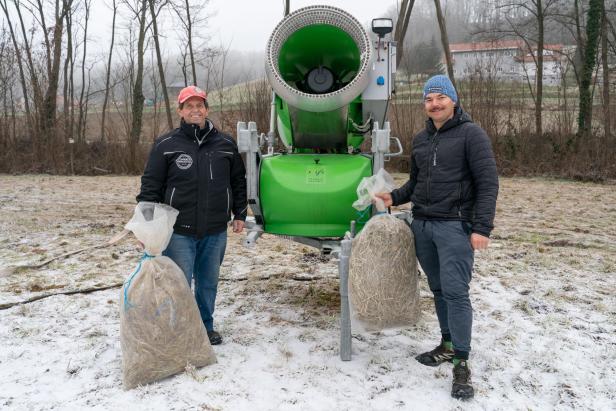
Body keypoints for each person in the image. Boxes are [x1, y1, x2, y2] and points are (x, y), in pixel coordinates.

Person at [375, 75, 498, 400]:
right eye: (429, 99)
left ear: (453, 100)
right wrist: (394, 197)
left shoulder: (472, 135)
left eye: (440, 97)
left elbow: (488, 183)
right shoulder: (421, 139)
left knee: (457, 293)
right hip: (424, 226)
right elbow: (416, 183)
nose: (434, 104)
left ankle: (461, 360)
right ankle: (446, 344)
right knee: (439, 289)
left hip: (455, 228)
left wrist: (481, 227)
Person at [137, 85, 247, 346]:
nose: (195, 110)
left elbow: (238, 181)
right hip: (178, 231)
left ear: (207, 110)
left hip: (215, 230)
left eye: (200, 105)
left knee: (208, 283)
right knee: (179, 284)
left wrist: (239, 212)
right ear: (180, 111)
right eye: (189, 106)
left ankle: (205, 327)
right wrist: (146, 227)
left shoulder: (225, 143)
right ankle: (179, 329)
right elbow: (150, 186)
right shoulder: (166, 144)